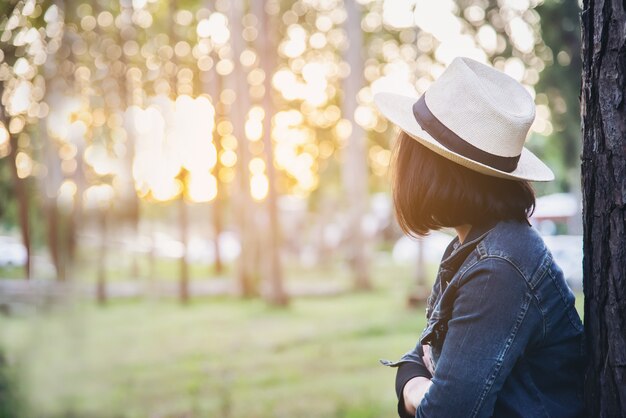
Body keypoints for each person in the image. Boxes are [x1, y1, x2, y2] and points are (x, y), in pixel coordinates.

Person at [374, 57, 585, 418]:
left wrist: (422, 387)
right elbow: (416, 359)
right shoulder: (472, 247)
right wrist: (422, 382)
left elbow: (445, 410)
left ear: (431, 169)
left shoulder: (498, 268)